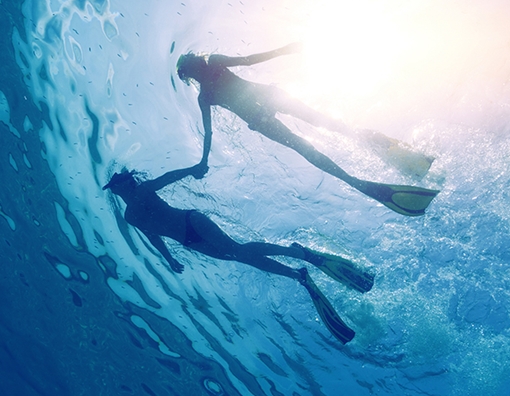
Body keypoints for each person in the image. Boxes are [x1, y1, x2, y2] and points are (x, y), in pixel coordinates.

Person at [104, 164, 374, 344]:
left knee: (236, 249)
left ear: (125, 183)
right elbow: (154, 236)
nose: (117, 188)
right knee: (238, 255)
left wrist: (193, 169)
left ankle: (298, 253)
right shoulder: (130, 215)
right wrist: (170, 259)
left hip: (192, 222)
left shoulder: (142, 190)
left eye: (118, 184)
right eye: (115, 187)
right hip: (188, 240)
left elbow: (167, 178)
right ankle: (298, 274)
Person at [176, 44, 440, 216]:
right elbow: (249, 60)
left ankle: (356, 180)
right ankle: (360, 168)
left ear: (190, 73)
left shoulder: (207, 86)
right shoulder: (208, 86)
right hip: (265, 105)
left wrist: (203, 162)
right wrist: (283, 50)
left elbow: (248, 61)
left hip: (262, 111)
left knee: (312, 139)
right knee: (319, 131)